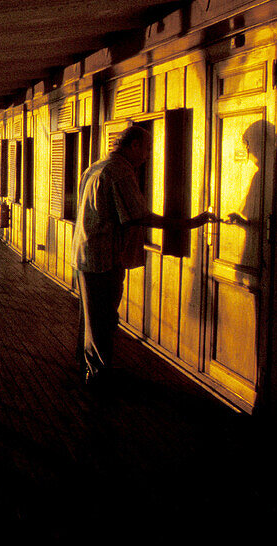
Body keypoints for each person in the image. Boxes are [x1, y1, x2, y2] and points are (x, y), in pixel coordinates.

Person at [71, 124, 215, 386]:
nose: (148, 155)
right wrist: (190, 224)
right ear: (134, 145)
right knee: (104, 320)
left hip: (84, 255)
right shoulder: (120, 172)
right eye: (147, 149)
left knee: (91, 319)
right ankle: (98, 378)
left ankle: (87, 368)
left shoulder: (95, 167)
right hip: (104, 259)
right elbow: (138, 217)